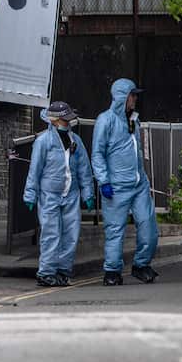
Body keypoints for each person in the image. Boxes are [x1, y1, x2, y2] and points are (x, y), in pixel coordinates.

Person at [92, 78, 159, 286]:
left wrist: (143, 179)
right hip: (116, 187)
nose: (135, 99)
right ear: (123, 96)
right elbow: (97, 153)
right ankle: (112, 271)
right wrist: (103, 180)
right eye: (132, 95)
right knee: (115, 230)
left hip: (139, 184)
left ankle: (142, 265)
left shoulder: (134, 120)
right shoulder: (106, 120)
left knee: (148, 226)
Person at [23, 101, 95, 287]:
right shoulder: (43, 142)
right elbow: (35, 171)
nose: (68, 122)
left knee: (71, 234)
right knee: (51, 233)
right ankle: (46, 272)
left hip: (71, 194)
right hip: (49, 195)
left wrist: (88, 193)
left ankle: (63, 271)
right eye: (65, 119)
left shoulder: (75, 141)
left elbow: (84, 170)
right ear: (54, 120)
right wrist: (30, 194)